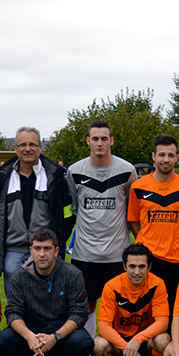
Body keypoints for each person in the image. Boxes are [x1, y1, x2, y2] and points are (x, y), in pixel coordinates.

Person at [0, 228, 93, 356]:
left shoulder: (72, 274)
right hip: (33, 330)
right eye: (37, 249)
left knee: (84, 342)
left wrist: (55, 336)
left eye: (47, 248)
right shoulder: (20, 276)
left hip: (62, 331)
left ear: (56, 251)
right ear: (31, 251)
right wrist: (30, 337)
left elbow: (80, 313)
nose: (42, 254)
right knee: (3, 339)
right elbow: (12, 312)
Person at [66, 120, 137, 337]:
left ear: (111, 141)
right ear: (88, 141)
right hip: (85, 254)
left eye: (104, 139)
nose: (99, 143)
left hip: (117, 254)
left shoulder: (127, 170)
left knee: (118, 307)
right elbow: (74, 208)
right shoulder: (74, 171)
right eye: (95, 139)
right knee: (85, 306)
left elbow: (133, 210)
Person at [0, 127, 73, 299]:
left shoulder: (55, 178)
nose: (27, 148)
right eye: (23, 144)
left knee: (48, 303)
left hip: (46, 251)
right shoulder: (2, 178)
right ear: (15, 148)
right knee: (16, 303)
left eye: (32, 144)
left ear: (40, 147)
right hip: (13, 251)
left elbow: (67, 213)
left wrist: (56, 241)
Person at [128, 134, 179, 311]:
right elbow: (134, 222)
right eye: (161, 155)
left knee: (177, 310)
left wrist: (178, 238)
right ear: (153, 157)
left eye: (170, 155)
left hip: (177, 258)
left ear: (176, 157)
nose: (166, 159)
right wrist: (146, 240)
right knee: (145, 311)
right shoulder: (139, 186)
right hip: (148, 259)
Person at [92, 243, 172, 356]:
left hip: (145, 340)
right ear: (124, 266)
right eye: (132, 266)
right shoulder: (112, 286)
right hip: (119, 341)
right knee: (97, 346)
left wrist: (137, 339)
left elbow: (163, 322)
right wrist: (126, 347)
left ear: (149, 267)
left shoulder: (157, 284)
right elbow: (103, 326)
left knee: (163, 340)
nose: (137, 272)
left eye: (141, 267)